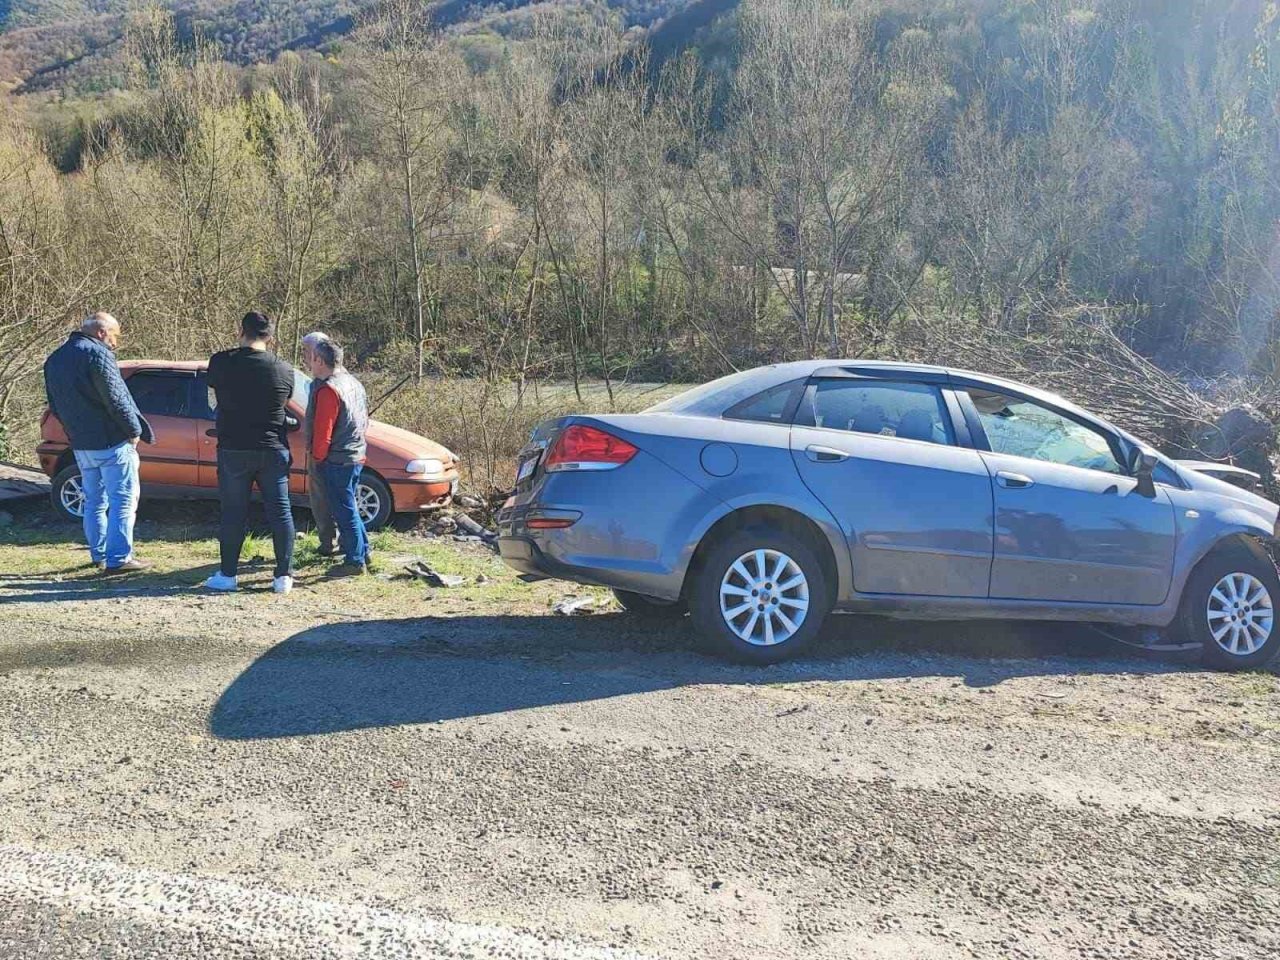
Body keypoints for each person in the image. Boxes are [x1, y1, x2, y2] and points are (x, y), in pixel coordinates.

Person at [43, 312, 154, 574]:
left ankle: (99, 554)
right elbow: (116, 399)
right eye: (114, 335)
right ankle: (119, 559)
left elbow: (55, 404)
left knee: (94, 501)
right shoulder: (98, 354)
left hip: (81, 443)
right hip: (111, 441)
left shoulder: (55, 358)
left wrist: (73, 431)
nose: (115, 343)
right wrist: (134, 431)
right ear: (102, 332)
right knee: (123, 500)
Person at [204, 312, 296, 594]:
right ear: (271, 337)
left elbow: (212, 397)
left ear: (240, 331)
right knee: (281, 512)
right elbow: (285, 402)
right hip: (273, 448)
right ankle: (283, 576)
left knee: (233, 513)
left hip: (233, 448)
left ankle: (228, 575)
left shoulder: (221, 362)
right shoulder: (284, 369)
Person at [304, 338, 371, 578]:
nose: (309, 363)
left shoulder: (328, 390)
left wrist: (318, 458)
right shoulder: (353, 382)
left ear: (320, 361)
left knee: (344, 511)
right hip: (356, 454)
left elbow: (324, 431)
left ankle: (354, 561)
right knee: (349, 506)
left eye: (312, 359)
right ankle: (364, 551)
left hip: (338, 458)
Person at [300, 331, 338, 558]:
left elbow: (324, 425)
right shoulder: (318, 382)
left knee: (325, 501)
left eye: (307, 352)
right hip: (329, 452)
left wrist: (317, 455)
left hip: (326, 454)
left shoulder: (327, 385)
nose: (305, 357)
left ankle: (329, 544)